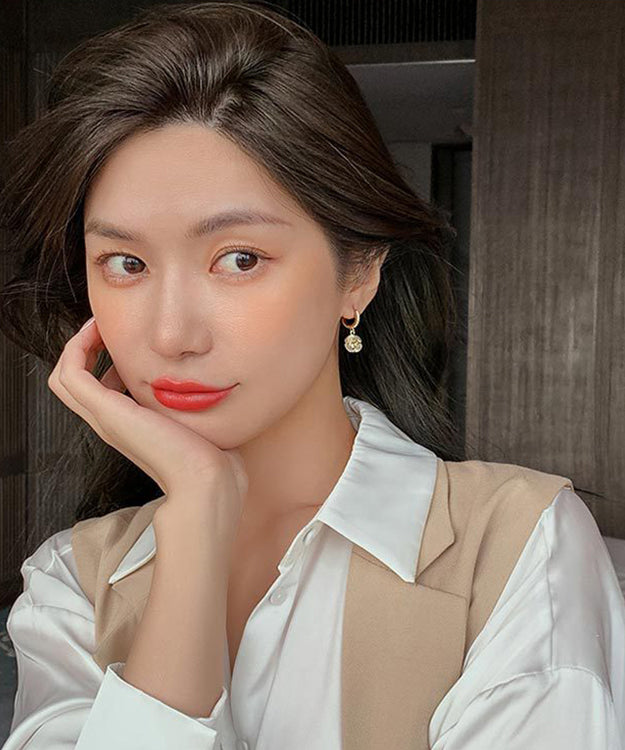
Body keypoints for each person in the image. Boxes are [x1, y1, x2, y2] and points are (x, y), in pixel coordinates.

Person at [0, 2, 623, 749]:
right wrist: (196, 520)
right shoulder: (71, 583)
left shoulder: (518, 543)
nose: (171, 336)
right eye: (126, 263)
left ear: (357, 274)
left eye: (239, 259)